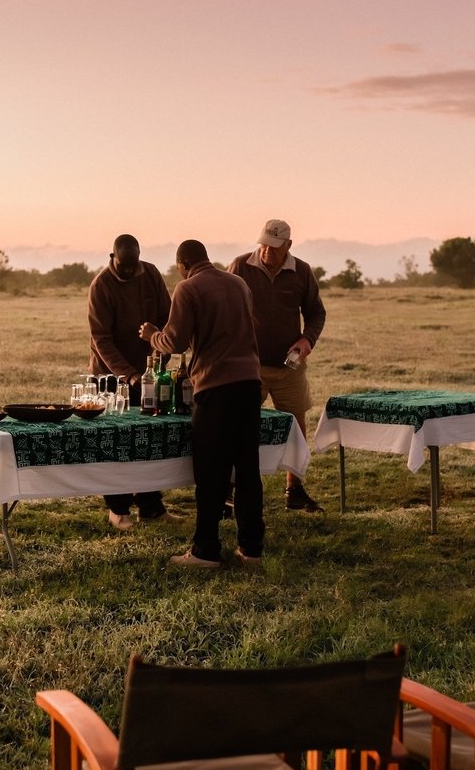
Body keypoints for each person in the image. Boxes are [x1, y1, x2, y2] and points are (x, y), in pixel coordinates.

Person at [139, 239, 263, 568]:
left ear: (182, 264)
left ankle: (205, 550)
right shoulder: (238, 283)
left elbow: (175, 341)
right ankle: (251, 550)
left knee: (211, 471)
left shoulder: (187, 288)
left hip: (216, 386)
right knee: (248, 469)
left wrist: (152, 335)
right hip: (250, 382)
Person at [227, 219, 327, 512]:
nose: (267, 251)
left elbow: (316, 313)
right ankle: (232, 491)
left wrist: (307, 341)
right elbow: (227, 308)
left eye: (274, 246)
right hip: (249, 366)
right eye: (263, 245)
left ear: (288, 245)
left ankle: (294, 490)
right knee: (240, 426)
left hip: (289, 368)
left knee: (296, 426)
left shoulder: (302, 272)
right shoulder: (240, 266)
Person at [87, 233, 178, 530]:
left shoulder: (150, 273)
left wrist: (159, 358)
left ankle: (151, 506)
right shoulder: (101, 285)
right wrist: (128, 375)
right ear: (112, 257)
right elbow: (101, 339)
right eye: (123, 266)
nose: (128, 272)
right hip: (110, 377)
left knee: (148, 438)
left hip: (149, 370)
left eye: (133, 266)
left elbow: (167, 317)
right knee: (116, 442)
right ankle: (118, 509)